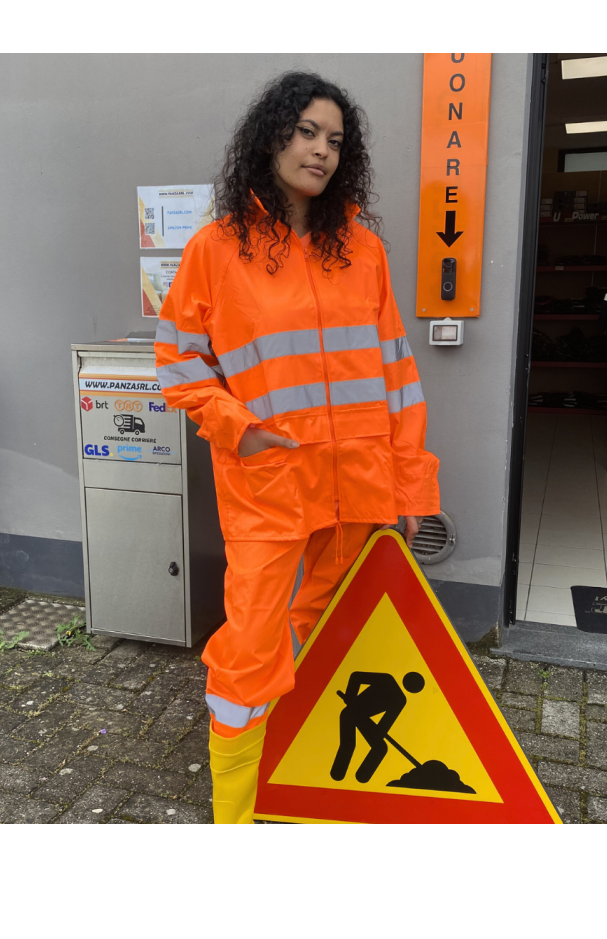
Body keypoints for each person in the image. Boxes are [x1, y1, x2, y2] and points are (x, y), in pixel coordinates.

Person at [155, 72, 440, 823]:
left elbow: (397, 380)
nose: (321, 150)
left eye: (335, 140)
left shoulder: (364, 253)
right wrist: (238, 427)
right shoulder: (216, 250)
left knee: (323, 644)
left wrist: (410, 492)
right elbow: (180, 366)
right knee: (249, 653)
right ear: (271, 135)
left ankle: (299, 781)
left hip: (359, 490)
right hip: (270, 492)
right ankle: (235, 814)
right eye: (307, 131)